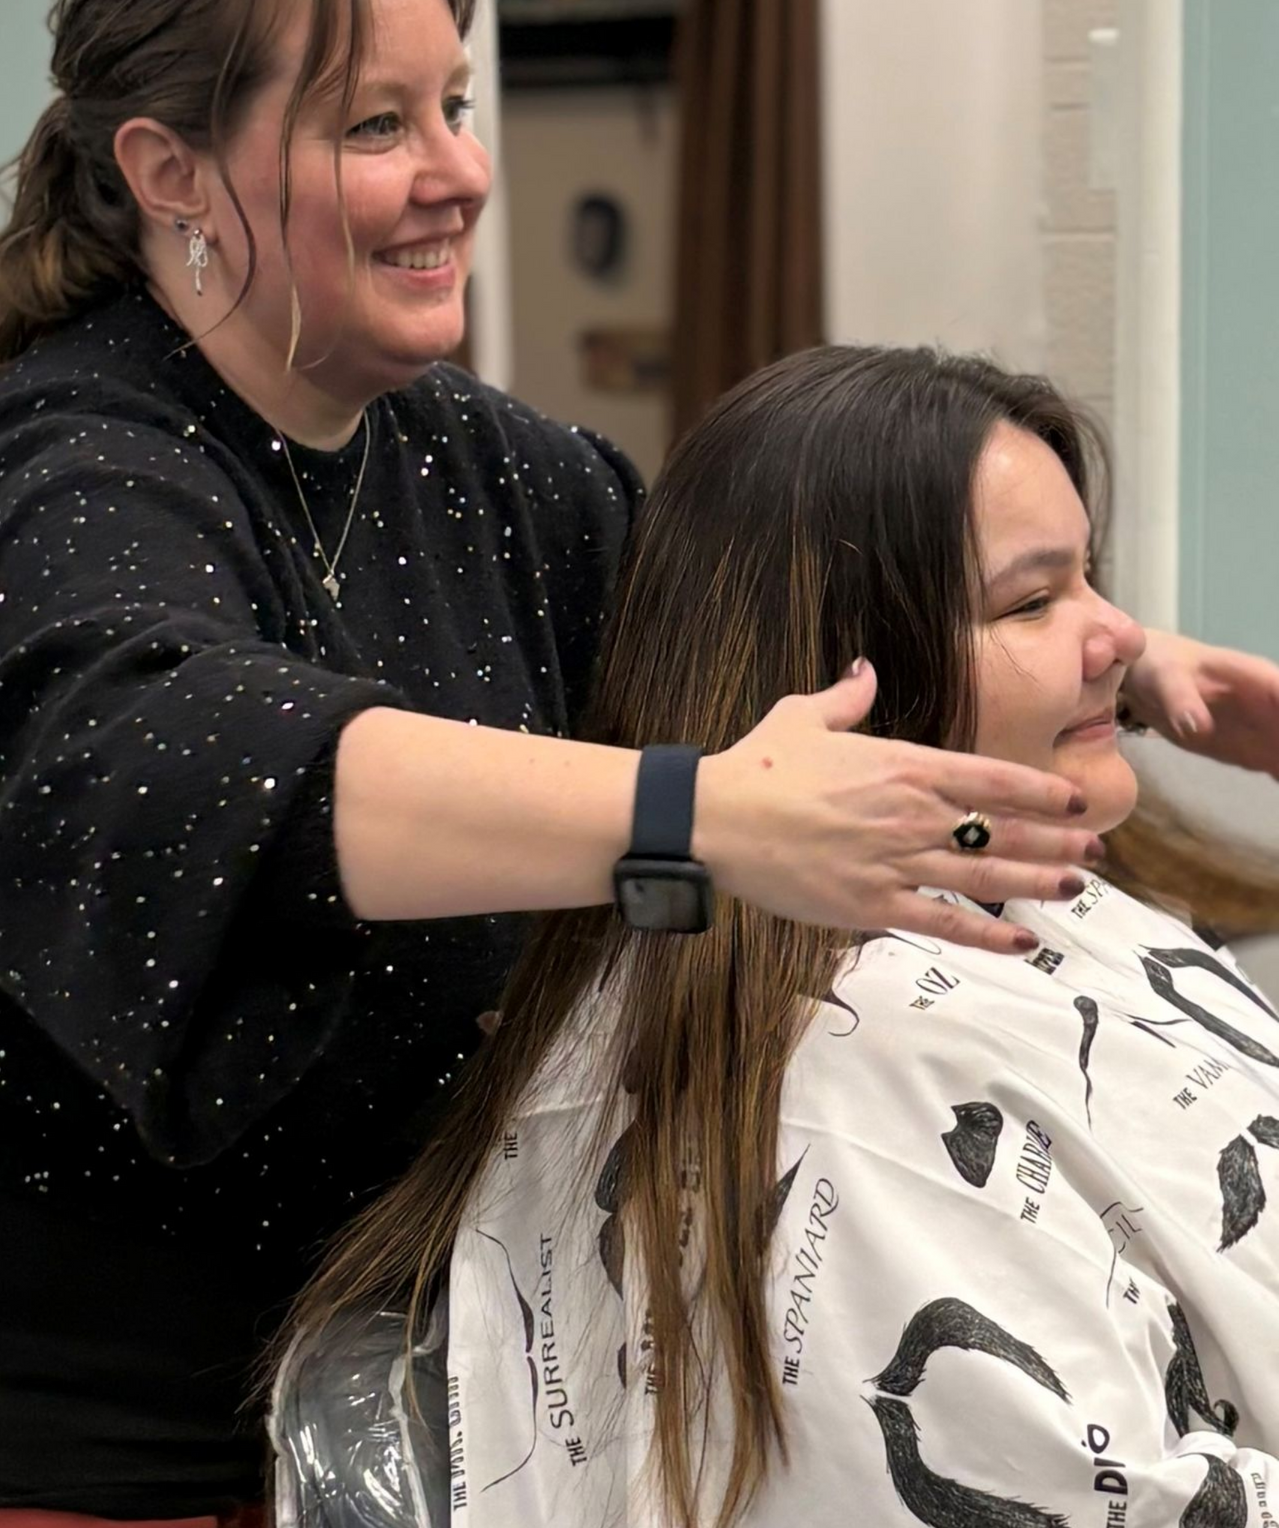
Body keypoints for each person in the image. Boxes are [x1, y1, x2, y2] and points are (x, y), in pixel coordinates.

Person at [0, 0, 1279, 1526]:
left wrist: (1096, 662)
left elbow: (766, 642)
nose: (462, 172)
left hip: (270, 1372)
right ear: (170, 172)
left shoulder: (486, 471)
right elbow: (211, 776)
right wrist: (689, 817)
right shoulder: (54, 488)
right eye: (374, 125)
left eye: (455, 108)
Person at [273, 345, 1279, 1528]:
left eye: (1091, 577)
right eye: (1032, 601)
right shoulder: (851, 1080)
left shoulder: (1048, 909)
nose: (1123, 636)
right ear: (854, 682)